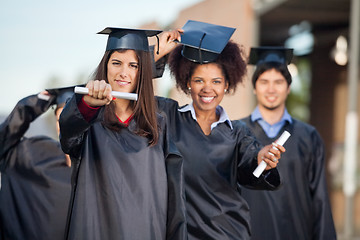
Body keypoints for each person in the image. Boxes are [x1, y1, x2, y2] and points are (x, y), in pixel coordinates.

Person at [155, 20, 285, 240]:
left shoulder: (237, 132)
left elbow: (250, 167)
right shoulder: (168, 117)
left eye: (216, 81)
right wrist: (157, 53)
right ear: (187, 82)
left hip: (229, 233)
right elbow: (134, 95)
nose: (208, 89)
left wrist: (262, 159)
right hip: (183, 232)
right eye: (199, 80)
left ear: (227, 84)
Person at [59, 27, 186, 240]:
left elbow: (174, 197)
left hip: (147, 230)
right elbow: (68, 134)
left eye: (134, 65)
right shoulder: (88, 119)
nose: (123, 72)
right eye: (116, 63)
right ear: (105, 66)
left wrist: (152, 52)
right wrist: (89, 104)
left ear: (142, 72)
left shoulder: (159, 123)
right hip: (96, 229)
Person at [240, 46, 337, 240]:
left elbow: (320, 198)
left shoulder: (308, 136)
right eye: (264, 81)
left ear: (289, 87)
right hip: (249, 234)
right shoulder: (236, 133)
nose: (271, 89)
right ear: (254, 86)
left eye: (278, 82)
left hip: (297, 233)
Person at [0, 87, 74, 240]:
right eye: (60, 118)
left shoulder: (100, 169)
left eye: (72, 118)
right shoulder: (34, 155)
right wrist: (30, 106)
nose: (64, 125)